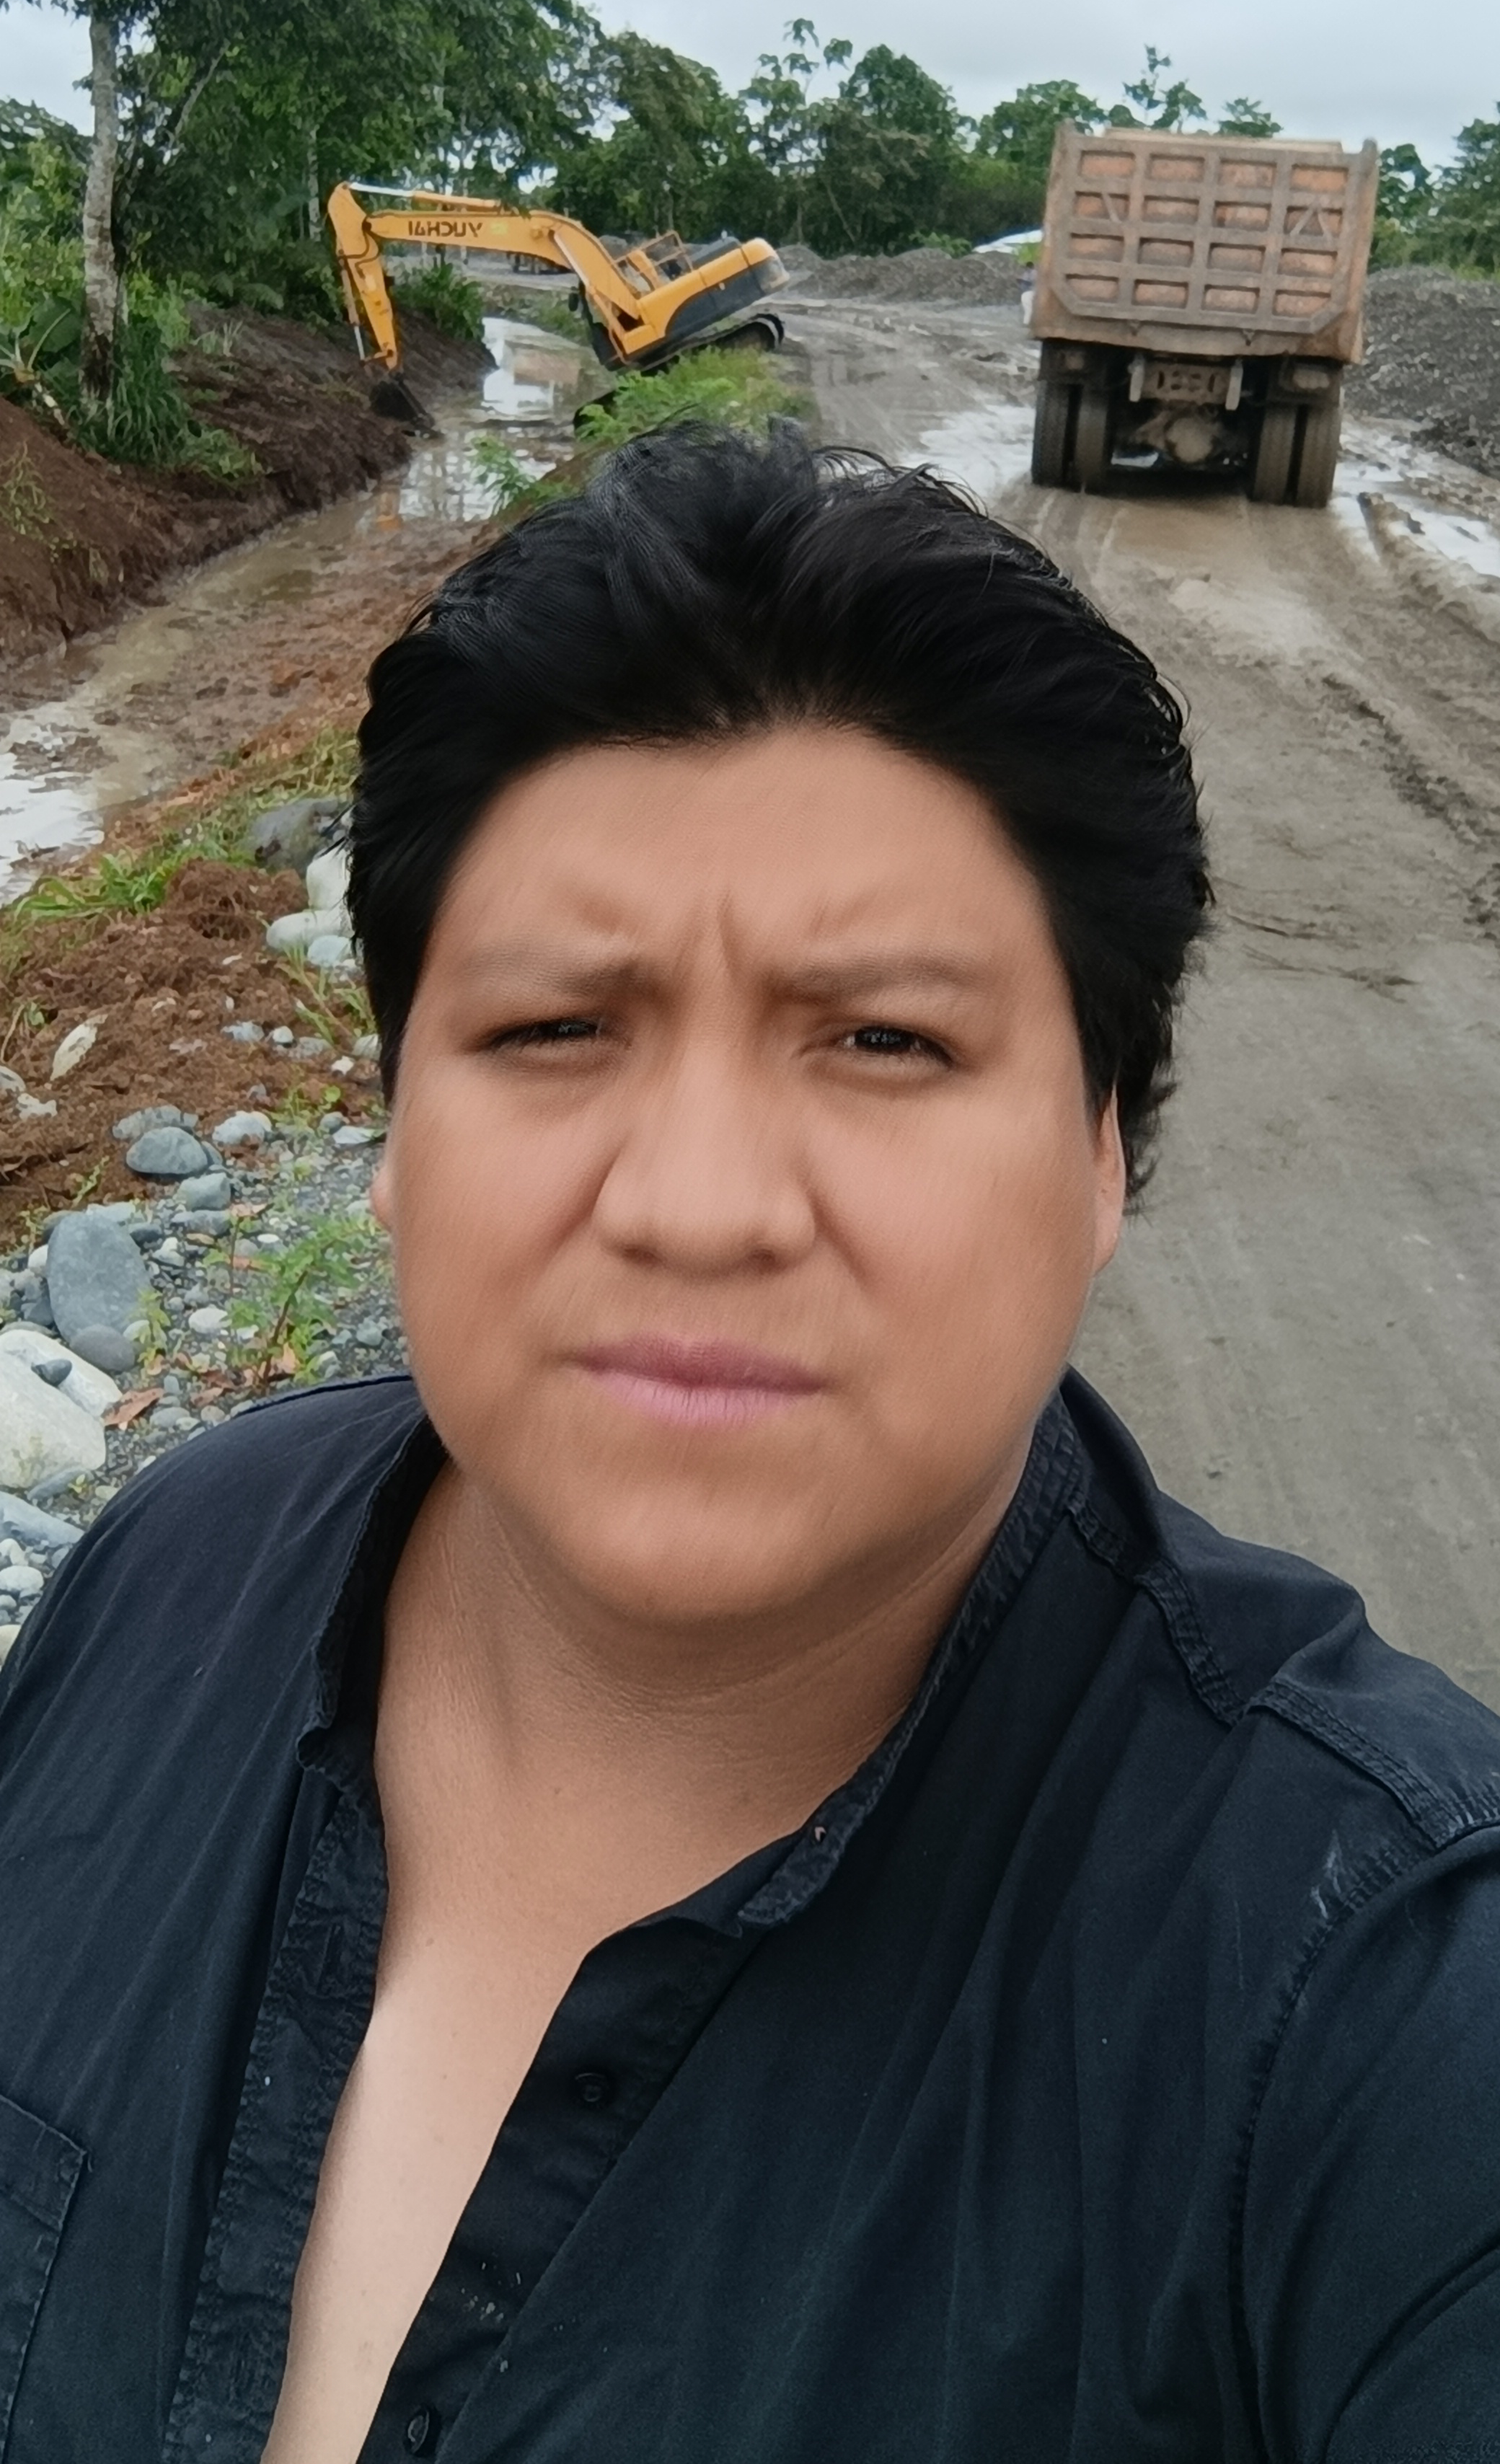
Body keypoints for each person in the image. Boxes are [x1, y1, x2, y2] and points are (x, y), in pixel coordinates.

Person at [1, 427, 1498, 2464]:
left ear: (1102, 1153)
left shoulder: (1379, 2003)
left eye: (885, 1040)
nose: (700, 1206)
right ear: (394, 1129)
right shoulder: (174, 1569)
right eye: (555, 1029)